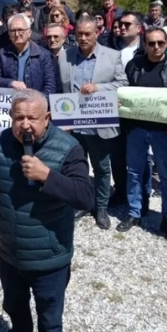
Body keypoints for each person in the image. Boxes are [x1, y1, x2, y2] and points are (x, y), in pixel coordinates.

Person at [0, 88, 93, 332]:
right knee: (14, 306)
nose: (25, 124)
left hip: (48, 257)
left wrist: (47, 175)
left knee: (49, 319)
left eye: (32, 118)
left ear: (47, 118)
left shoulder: (68, 148)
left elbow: (86, 196)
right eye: (19, 117)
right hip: (10, 252)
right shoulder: (0, 143)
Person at [118, 27, 167, 237]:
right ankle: (134, 212)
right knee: (134, 172)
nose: (156, 47)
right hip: (137, 128)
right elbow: (125, 88)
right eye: (151, 43)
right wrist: (120, 100)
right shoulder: (134, 65)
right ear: (145, 44)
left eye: (160, 42)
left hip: (164, 131)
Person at [57, 17, 124, 229]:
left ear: (97, 33)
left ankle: (101, 206)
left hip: (99, 122)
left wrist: (98, 88)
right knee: (78, 167)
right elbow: (61, 88)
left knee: (102, 168)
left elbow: (122, 84)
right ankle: (83, 202)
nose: (83, 38)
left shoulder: (112, 56)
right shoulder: (64, 56)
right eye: (79, 34)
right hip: (73, 124)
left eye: (88, 34)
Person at [0, 13, 56, 95]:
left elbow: (50, 87)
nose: (17, 34)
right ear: (8, 34)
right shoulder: (3, 53)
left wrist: (36, 102)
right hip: (10, 103)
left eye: (20, 30)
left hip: (34, 104)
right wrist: (11, 83)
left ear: (29, 32)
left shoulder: (43, 55)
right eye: (13, 31)